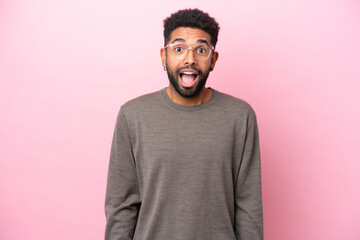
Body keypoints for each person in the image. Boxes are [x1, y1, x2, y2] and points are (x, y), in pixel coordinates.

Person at [105, 8, 263, 240]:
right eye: (178, 49)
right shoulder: (132, 115)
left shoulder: (240, 117)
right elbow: (121, 207)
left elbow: (249, 208)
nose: (190, 59)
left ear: (213, 60)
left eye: (201, 50)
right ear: (163, 56)